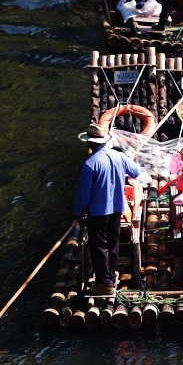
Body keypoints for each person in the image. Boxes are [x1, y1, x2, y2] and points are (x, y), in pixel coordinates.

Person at [75, 126, 142, 298]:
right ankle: (110, 277)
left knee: (99, 247)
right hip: (117, 209)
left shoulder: (90, 164)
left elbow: (83, 194)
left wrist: (78, 213)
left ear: (90, 142)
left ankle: (105, 283)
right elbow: (136, 171)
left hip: (98, 212)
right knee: (113, 242)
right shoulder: (118, 156)